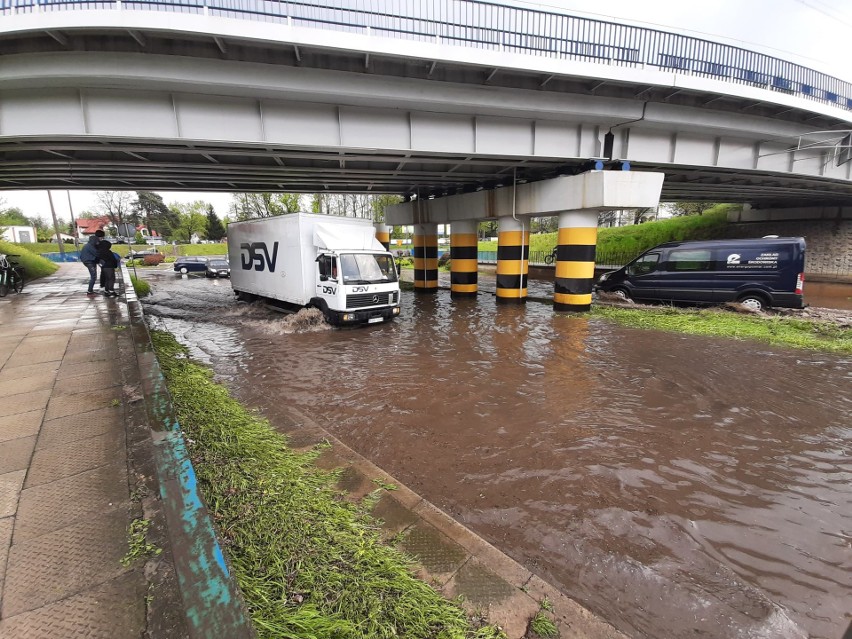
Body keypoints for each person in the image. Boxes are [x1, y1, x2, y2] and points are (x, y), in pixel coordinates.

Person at [79, 229, 105, 296]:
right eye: (101, 238)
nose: (101, 240)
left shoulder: (90, 244)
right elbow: (97, 254)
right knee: (93, 276)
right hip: (89, 262)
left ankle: (91, 290)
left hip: (90, 261)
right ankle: (90, 291)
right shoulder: (90, 246)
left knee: (93, 276)